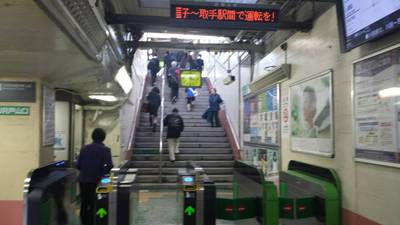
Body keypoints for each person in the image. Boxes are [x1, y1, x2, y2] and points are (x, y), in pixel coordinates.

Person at [76, 128, 113, 225]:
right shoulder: (106, 150)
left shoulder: (84, 148)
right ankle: (94, 222)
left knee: (84, 203)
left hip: (83, 180)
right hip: (97, 181)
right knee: (95, 203)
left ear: (92, 136)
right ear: (103, 138)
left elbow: (78, 165)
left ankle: (84, 222)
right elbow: (108, 166)